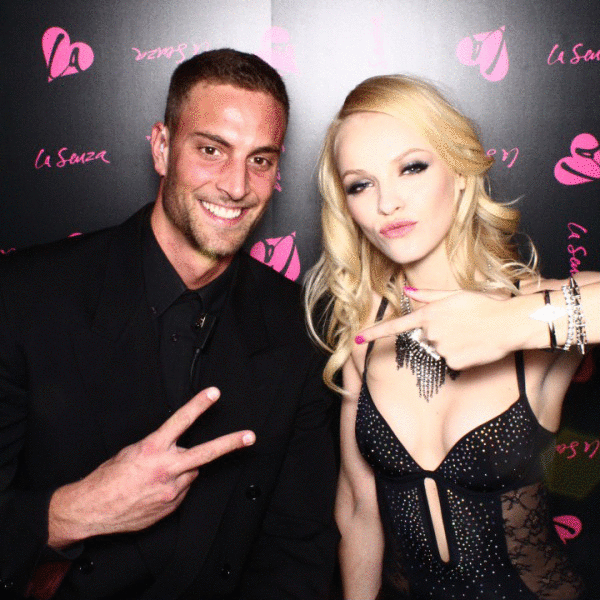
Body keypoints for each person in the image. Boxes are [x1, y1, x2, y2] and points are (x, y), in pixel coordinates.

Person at [0, 49, 338, 600]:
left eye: (260, 160)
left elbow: (297, 551)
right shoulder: (26, 295)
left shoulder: (296, 325)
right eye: (211, 150)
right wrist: (74, 511)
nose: (236, 186)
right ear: (161, 148)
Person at [305, 74, 599, 599]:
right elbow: (358, 512)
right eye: (360, 184)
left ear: (461, 173)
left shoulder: (534, 306)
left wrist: (510, 324)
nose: (387, 203)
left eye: (411, 167)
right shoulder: (365, 328)